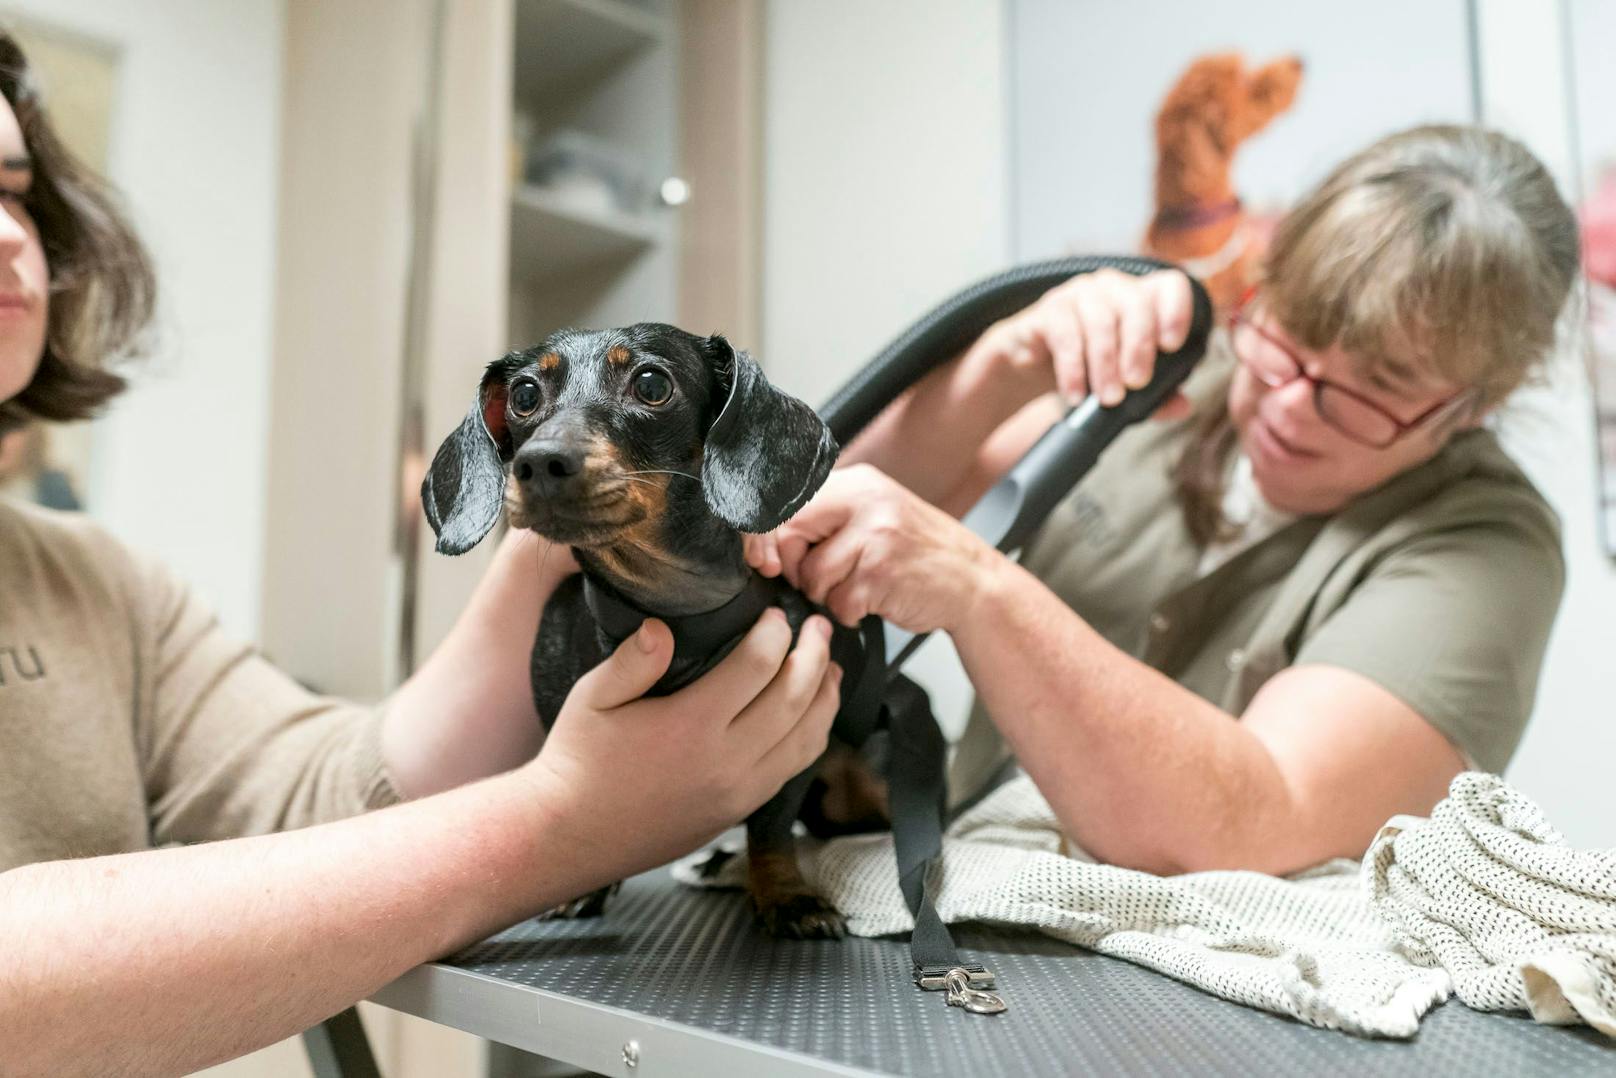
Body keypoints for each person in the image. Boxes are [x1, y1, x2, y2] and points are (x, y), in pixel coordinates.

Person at [0, 32, 839, 1076]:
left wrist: (598, 527)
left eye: (18, 191)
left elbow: (330, 800)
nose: (8, 235)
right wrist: (562, 826)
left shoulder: (100, 587)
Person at [750, 124, 1580, 877]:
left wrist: (979, 589)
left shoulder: (1489, 546)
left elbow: (1258, 819)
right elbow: (783, 529)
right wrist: (1008, 362)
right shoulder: (1176, 384)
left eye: (1379, 387)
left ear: (1472, 406)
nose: (1291, 407)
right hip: (966, 893)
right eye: (1288, 338)